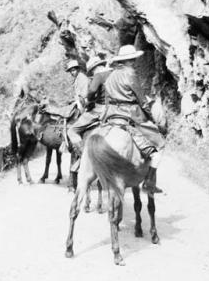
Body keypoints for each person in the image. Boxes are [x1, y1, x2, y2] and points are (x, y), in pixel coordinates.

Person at [103, 44, 165, 194]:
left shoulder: (111, 75)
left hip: (111, 113)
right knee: (160, 145)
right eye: (133, 59)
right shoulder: (130, 73)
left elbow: (107, 98)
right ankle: (149, 182)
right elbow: (142, 100)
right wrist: (151, 116)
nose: (134, 61)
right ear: (130, 60)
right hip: (130, 113)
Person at [67, 56, 111, 155]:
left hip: (101, 109)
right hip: (115, 107)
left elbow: (91, 91)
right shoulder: (113, 73)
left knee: (72, 130)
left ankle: (83, 155)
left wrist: (89, 100)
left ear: (94, 68)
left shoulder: (98, 75)